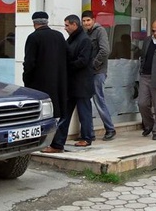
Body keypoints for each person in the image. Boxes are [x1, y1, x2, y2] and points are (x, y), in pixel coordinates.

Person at [41, 14, 94, 153]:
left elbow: (83, 61)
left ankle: (87, 137)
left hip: (82, 84)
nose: (65, 28)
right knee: (65, 114)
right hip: (71, 84)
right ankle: (58, 143)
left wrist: (66, 66)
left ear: (74, 25)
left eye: (67, 25)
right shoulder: (71, 39)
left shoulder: (84, 41)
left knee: (84, 112)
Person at [23, 11, 68, 124]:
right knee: (57, 112)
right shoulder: (59, 36)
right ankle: (57, 140)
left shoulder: (33, 37)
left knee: (42, 114)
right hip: (58, 81)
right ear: (47, 22)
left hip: (39, 84)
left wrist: (26, 79)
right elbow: (67, 56)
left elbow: (29, 62)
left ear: (34, 23)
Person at [81, 10, 116, 141]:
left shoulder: (99, 31)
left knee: (99, 100)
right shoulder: (85, 33)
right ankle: (88, 132)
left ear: (93, 20)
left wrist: (94, 65)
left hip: (98, 72)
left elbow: (105, 50)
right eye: (84, 21)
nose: (86, 23)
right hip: (88, 73)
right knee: (87, 101)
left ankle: (110, 129)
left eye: (88, 20)